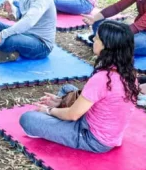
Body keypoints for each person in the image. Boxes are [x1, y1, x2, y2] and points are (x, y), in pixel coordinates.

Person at [19, 20, 139, 153]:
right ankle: (58, 116)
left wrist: (49, 110)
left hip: (92, 138)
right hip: (108, 131)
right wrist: (61, 102)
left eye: (97, 38)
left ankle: (51, 123)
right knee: (67, 89)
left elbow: (73, 115)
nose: (93, 39)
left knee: (28, 119)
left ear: (107, 46)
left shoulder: (103, 79)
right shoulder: (128, 72)